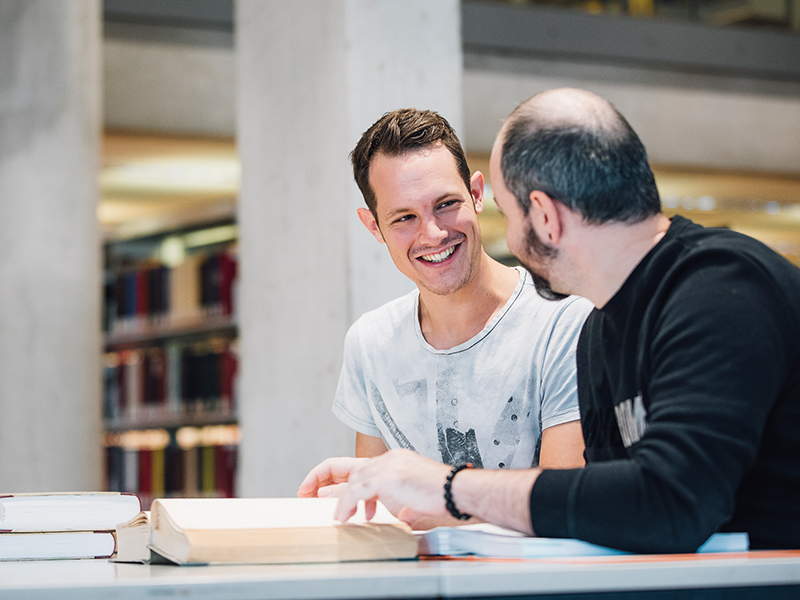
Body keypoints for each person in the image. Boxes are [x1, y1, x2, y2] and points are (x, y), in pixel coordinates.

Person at [298, 89, 800, 553]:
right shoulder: (605, 326)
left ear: (543, 216)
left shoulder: (722, 289)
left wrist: (448, 487)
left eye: (504, 212)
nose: (510, 240)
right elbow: (591, 508)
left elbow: (670, 502)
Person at [316, 108, 592, 520]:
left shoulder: (564, 320)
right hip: (420, 580)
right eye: (404, 217)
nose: (433, 234)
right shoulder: (370, 343)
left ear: (477, 194)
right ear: (374, 227)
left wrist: (436, 503)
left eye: (446, 204)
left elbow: (565, 505)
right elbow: (378, 516)